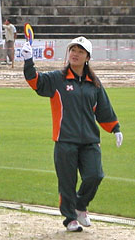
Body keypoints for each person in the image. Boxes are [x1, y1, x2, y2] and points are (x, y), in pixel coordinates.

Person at [19, 37, 122, 232]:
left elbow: (104, 108)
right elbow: (35, 82)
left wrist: (115, 127)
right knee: (67, 182)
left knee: (95, 175)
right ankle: (70, 219)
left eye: (80, 51)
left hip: (90, 140)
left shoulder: (94, 83)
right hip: (65, 140)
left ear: (87, 57)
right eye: (73, 50)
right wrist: (28, 61)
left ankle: (80, 206)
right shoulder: (57, 78)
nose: (75, 54)